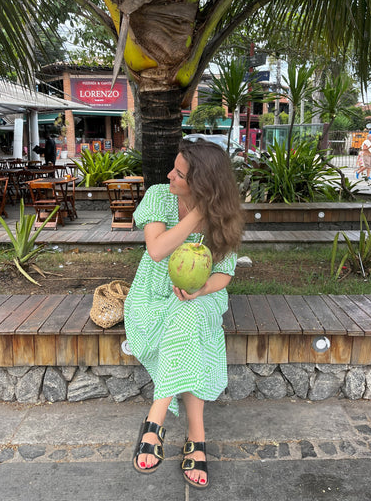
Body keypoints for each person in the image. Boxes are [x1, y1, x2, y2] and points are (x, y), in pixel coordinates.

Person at [124, 138, 244, 489]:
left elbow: (225, 273)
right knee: (189, 326)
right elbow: (157, 250)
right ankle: (196, 437)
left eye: (179, 173)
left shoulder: (224, 215)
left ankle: (154, 423)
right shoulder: (159, 196)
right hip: (152, 294)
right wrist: (198, 213)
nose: (169, 176)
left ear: (202, 183)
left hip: (202, 293)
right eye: (174, 169)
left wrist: (201, 290)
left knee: (190, 314)